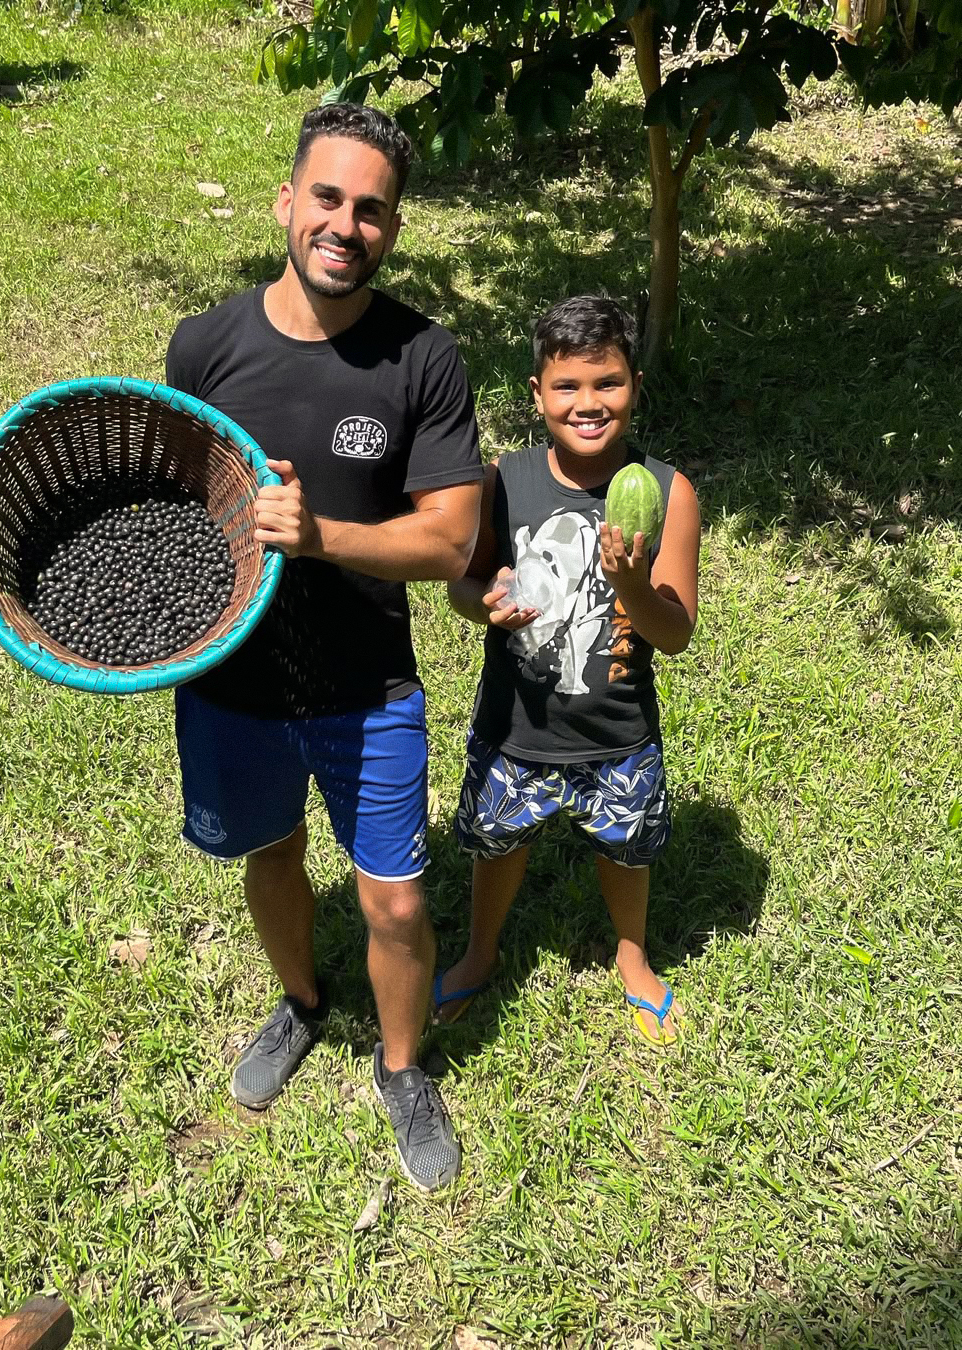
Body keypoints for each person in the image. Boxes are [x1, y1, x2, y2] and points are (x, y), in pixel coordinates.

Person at [165, 104, 483, 1191]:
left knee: (393, 896)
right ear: (288, 203)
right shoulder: (204, 345)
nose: (347, 224)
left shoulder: (422, 357)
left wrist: (321, 535)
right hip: (231, 681)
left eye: (373, 209)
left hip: (367, 683)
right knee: (271, 856)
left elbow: (449, 541)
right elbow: (172, 501)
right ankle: (303, 1004)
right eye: (329, 198)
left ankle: (401, 1068)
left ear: (393, 228)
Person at [436, 293, 700, 1047]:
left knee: (626, 850)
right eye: (568, 386)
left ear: (636, 386)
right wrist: (480, 603)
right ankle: (481, 951)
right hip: (515, 727)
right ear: (537, 394)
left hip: (618, 730)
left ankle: (632, 956)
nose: (589, 403)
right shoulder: (504, 480)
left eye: (608, 383)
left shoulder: (666, 492)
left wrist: (630, 588)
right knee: (499, 846)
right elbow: (464, 579)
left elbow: (674, 632)